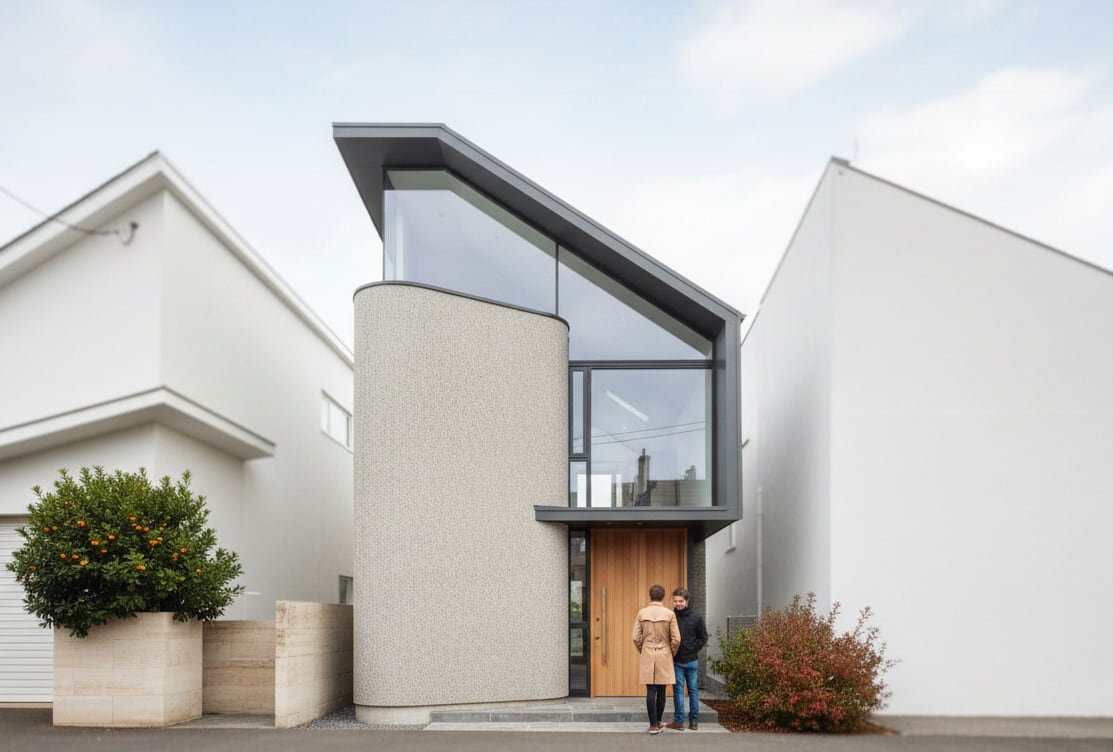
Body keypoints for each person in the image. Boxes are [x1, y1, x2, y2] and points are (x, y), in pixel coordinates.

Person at [632, 583, 680, 734]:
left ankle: (653, 725)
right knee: (662, 690)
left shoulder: (642, 613)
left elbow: (635, 637)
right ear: (663, 597)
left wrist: (643, 650)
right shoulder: (669, 614)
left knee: (650, 690)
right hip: (664, 653)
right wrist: (671, 652)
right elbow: (677, 639)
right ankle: (658, 722)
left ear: (650, 596)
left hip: (648, 652)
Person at [664, 587, 708, 731]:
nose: (678, 604)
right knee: (678, 691)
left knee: (693, 691)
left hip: (691, 660)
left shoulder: (696, 617)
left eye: (681, 601)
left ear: (687, 601)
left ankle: (694, 721)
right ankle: (679, 721)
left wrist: (693, 649)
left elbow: (703, 637)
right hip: (676, 660)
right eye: (675, 601)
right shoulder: (671, 617)